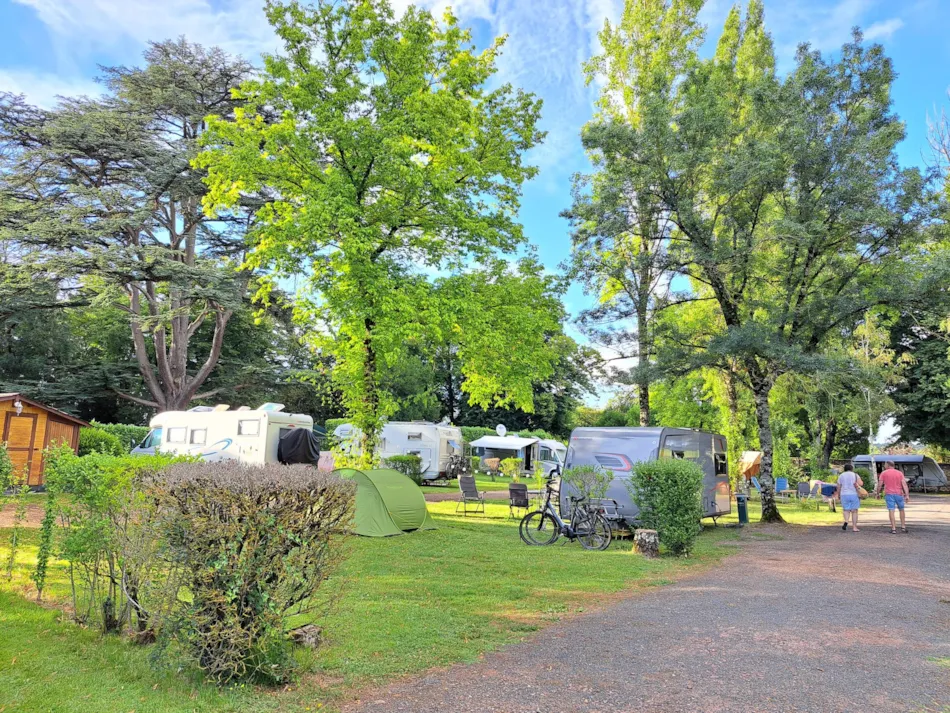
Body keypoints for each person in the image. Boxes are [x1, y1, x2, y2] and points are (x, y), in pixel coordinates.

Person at [874, 461, 910, 534]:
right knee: (901, 509)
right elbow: (904, 485)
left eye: (885, 464)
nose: (884, 466)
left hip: (889, 494)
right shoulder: (899, 473)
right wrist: (907, 495)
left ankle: (893, 528)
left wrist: (878, 493)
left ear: (888, 465)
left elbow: (880, 484)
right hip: (899, 494)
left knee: (891, 510)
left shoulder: (884, 473)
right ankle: (903, 527)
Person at [836, 465, 863, 532]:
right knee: (854, 511)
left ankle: (846, 521)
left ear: (844, 469)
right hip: (854, 494)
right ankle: (854, 527)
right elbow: (861, 483)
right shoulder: (855, 475)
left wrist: (838, 494)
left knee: (846, 510)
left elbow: (838, 486)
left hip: (844, 494)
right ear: (852, 468)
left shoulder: (841, 475)